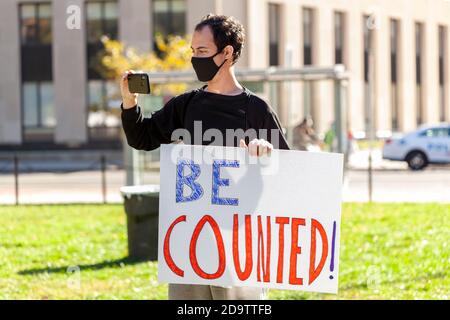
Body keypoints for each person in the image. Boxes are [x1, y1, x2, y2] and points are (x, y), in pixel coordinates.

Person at [120, 14, 289, 300]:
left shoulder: (257, 109)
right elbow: (141, 137)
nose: (195, 58)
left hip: (238, 246)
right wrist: (129, 101)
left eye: (203, 51)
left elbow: (289, 173)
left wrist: (266, 155)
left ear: (227, 53)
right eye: (193, 51)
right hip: (189, 245)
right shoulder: (186, 106)